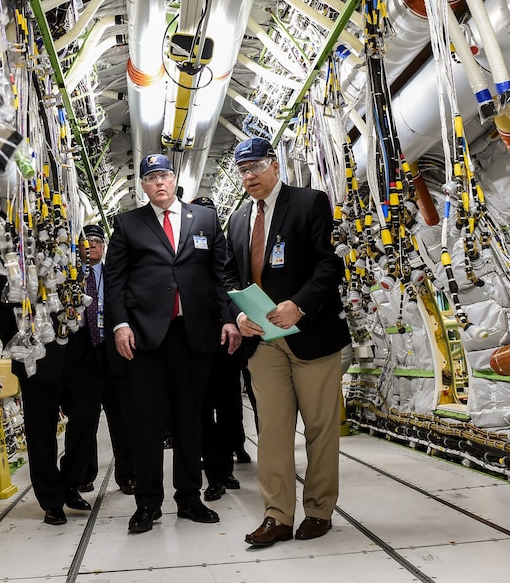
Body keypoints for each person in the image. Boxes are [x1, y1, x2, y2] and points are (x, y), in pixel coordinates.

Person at [224, 137, 351, 548]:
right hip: (263, 343)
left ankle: (318, 510)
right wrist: (239, 315)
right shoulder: (239, 219)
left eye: (256, 167)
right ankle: (277, 515)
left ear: (274, 166)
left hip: (310, 335)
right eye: (242, 171)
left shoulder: (310, 202)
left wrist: (299, 305)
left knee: (319, 429)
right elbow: (228, 275)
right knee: (272, 431)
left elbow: (330, 263)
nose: (249, 177)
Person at [105, 153, 241, 534]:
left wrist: (228, 319)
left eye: (164, 175)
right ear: (143, 186)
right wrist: (119, 325)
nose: (159, 183)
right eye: (151, 178)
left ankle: (189, 499)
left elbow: (220, 277)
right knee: (147, 422)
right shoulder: (128, 224)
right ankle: (148, 503)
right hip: (145, 338)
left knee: (190, 418)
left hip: (193, 334)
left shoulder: (206, 220)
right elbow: (114, 282)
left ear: (175, 178)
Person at [0, 265, 100, 526]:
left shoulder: (75, 234)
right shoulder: (18, 240)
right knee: (41, 429)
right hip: (37, 352)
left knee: (88, 412)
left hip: (78, 345)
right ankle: (52, 500)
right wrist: (18, 347)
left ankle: (70, 482)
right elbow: (0, 296)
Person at [189, 195, 245, 502]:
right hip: (198, 342)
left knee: (227, 406)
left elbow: (232, 288)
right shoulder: (189, 251)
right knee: (202, 410)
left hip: (227, 341)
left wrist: (232, 320)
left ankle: (224, 468)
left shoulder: (227, 249)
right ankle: (214, 471)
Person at [78, 223, 136, 496]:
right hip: (84, 352)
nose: (91, 245)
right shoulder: (73, 276)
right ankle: (83, 475)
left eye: (96, 241)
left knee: (122, 416)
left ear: (104, 246)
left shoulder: (114, 274)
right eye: (86, 241)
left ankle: (127, 475)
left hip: (112, 350)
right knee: (84, 416)